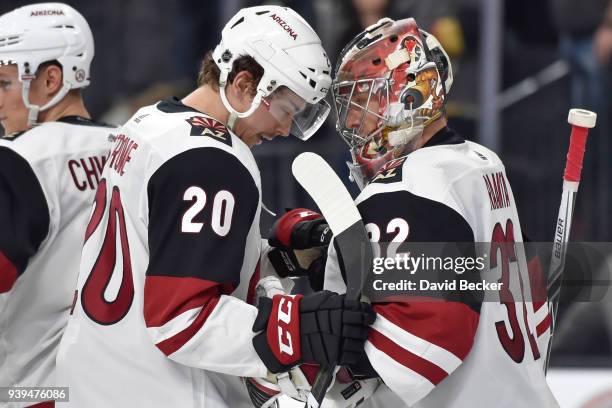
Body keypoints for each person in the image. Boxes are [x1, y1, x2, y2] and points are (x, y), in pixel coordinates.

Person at [56, 6, 374, 407]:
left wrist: (276, 258)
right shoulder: (213, 159)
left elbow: (166, 255)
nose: (282, 130)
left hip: (95, 374)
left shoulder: (150, 121)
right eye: (285, 110)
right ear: (243, 84)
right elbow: (180, 320)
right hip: (157, 390)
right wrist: (300, 325)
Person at [269, 17, 560, 407]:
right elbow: (530, 309)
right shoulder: (481, 163)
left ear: (410, 93)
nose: (351, 120)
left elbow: (423, 347)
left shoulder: (405, 185)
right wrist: (342, 257)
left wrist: (313, 335)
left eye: (366, 98)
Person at [0, 3, 113, 407]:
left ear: (51, 79)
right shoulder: (133, 147)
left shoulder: (21, 158)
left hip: (31, 393)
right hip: (117, 390)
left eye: (3, 84)